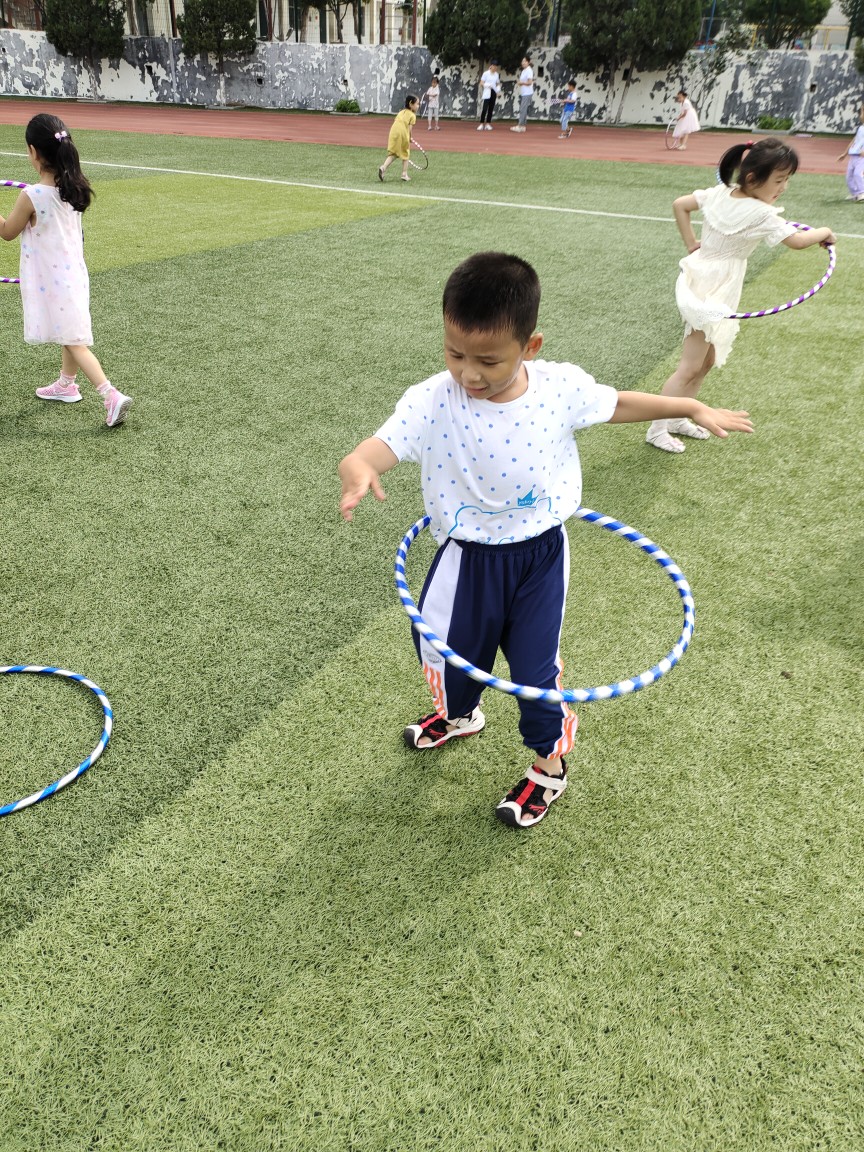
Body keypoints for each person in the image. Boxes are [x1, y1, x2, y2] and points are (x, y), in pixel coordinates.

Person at [338, 252, 753, 829]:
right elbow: (377, 447)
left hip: (539, 558)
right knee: (444, 653)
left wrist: (689, 404)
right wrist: (359, 466)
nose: (469, 374)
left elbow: (619, 403)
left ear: (529, 346)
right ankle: (459, 716)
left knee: (535, 674)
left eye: (488, 360)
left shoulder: (559, 388)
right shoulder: (431, 400)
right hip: (464, 557)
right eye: (455, 354)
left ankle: (548, 766)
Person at [646, 138, 835, 454]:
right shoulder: (761, 214)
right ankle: (656, 428)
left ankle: (678, 417)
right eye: (779, 180)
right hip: (711, 291)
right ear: (752, 178)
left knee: (706, 360)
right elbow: (798, 241)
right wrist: (825, 232)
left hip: (704, 280)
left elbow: (680, 204)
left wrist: (691, 243)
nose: (784, 187)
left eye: (787, 180)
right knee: (690, 366)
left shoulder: (721, 192)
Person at [0, 113, 132, 427]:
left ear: (33, 152)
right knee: (69, 331)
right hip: (74, 276)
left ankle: (110, 394)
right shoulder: (74, 188)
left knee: (73, 340)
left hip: (52, 280)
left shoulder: (32, 195)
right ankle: (66, 385)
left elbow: (7, 232)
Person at [378, 95, 419, 183]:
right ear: (411, 104)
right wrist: (410, 138)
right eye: (417, 104)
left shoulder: (401, 112)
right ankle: (404, 174)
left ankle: (383, 167)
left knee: (393, 153)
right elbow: (409, 129)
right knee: (406, 153)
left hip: (393, 132)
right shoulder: (412, 115)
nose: (418, 106)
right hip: (402, 133)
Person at [837, 104, 864, 202]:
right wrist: (845, 154)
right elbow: (854, 141)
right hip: (853, 156)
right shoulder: (861, 128)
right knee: (849, 176)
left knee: (858, 174)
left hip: (861, 157)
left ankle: (862, 192)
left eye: (862, 112)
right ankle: (855, 193)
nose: (861, 115)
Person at [510, 56, 533, 133]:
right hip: (524, 92)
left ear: (528, 62)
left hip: (527, 93)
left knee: (523, 109)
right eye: (522, 61)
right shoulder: (524, 71)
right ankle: (523, 126)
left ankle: (520, 126)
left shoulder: (529, 70)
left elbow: (530, 82)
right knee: (524, 109)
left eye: (525, 61)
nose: (523, 63)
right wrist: (520, 83)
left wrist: (521, 83)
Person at [477, 61, 501, 131]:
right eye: (494, 66)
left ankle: (488, 124)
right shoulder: (486, 73)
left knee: (491, 108)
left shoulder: (496, 74)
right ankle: (481, 124)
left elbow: (498, 83)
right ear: (491, 66)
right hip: (487, 91)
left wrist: (498, 91)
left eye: (496, 66)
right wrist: (487, 85)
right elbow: (481, 83)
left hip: (493, 92)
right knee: (485, 108)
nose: (495, 68)